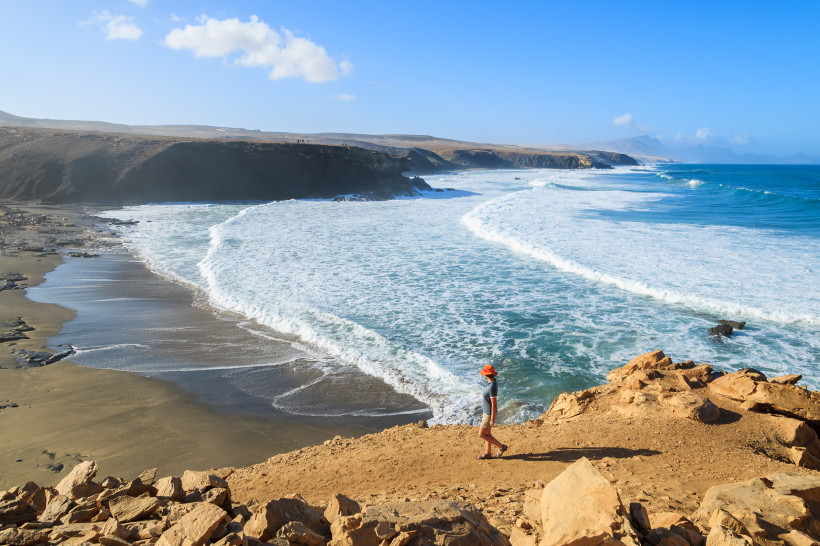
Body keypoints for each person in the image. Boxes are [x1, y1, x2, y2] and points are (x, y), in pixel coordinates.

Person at [477, 364, 508, 459]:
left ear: (485, 375)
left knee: (481, 434)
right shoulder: (493, 382)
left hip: (489, 414)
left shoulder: (491, 387)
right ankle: (488, 453)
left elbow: (494, 404)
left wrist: (492, 419)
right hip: (487, 412)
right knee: (488, 434)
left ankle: (501, 447)